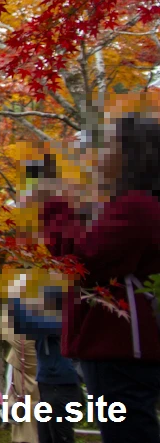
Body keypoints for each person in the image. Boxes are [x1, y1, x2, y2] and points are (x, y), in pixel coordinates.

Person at [39, 114, 160, 443]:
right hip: (115, 340)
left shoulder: (137, 206)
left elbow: (83, 261)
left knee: (129, 430)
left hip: (120, 342)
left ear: (127, 154)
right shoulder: (130, 203)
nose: (98, 153)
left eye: (107, 146)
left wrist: (54, 203)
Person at [9, 286, 84, 443]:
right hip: (46, 383)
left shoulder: (60, 319)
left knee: (60, 434)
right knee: (45, 435)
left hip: (61, 382)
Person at [0, 297, 40, 443]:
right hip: (42, 394)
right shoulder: (46, 342)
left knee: (25, 436)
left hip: (24, 397)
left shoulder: (24, 342)